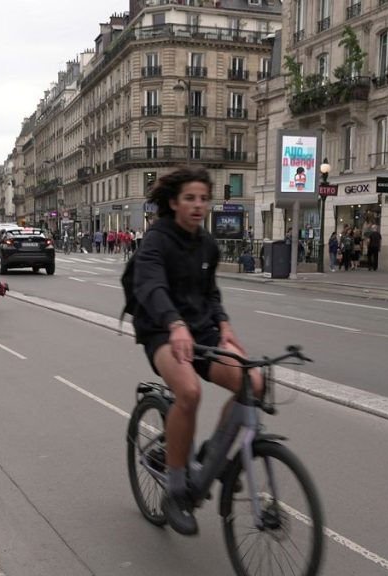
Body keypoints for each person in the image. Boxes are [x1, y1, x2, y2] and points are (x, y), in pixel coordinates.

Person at [131, 166, 261, 536]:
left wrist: (224, 324)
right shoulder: (157, 240)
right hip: (161, 331)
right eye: (190, 198)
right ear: (174, 202)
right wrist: (173, 325)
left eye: (203, 199)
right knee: (189, 391)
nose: (198, 205)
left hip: (201, 331)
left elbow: (211, 294)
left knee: (253, 382)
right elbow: (151, 286)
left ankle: (211, 457)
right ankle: (175, 490)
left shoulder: (207, 244)